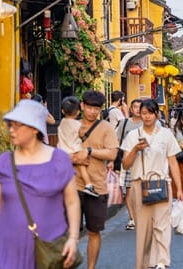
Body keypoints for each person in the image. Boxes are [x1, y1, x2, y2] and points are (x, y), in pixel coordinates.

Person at [0, 99, 81, 269]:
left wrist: (73, 238)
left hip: (48, 248)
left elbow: (72, 201)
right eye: (10, 125)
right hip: (8, 249)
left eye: (18, 125)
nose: (12, 130)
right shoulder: (4, 162)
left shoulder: (59, 160)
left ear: (35, 129)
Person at [121, 99, 183, 269]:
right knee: (143, 229)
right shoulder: (133, 136)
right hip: (139, 184)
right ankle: (144, 264)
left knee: (162, 226)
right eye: (143, 113)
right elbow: (125, 164)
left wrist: (179, 189)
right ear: (139, 114)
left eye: (150, 113)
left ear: (156, 114)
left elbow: (172, 162)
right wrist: (135, 149)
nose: (147, 116)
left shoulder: (166, 134)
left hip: (162, 183)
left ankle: (162, 262)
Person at [70, 91, 120, 269]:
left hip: (97, 187)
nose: (92, 111)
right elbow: (60, 154)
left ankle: (91, 267)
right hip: (72, 186)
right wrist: (75, 158)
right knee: (70, 232)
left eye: (96, 108)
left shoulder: (106, 127)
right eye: (89, 107)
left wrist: (90, 151)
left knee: (94, 231)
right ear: (82, 106)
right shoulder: (71, 126)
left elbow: (112, 153)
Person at [58, 96, 98, 197]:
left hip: (62, 151)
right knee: (82, 167)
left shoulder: (61, 123)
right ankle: (88, 185)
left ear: (63, 111)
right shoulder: (77, 124)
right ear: (78, 112)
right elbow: (82, 135)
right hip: (75, 150)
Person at [121, 98, 144, 231]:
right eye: (135, 107)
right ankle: (132, 218)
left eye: (140, 107)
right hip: (129, 160)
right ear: (131, 109)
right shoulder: (124, 124)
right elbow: (116, 141)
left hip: (145, 161)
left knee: (143, 190)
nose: (137, 110)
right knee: (129, 191)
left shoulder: (148, 123)